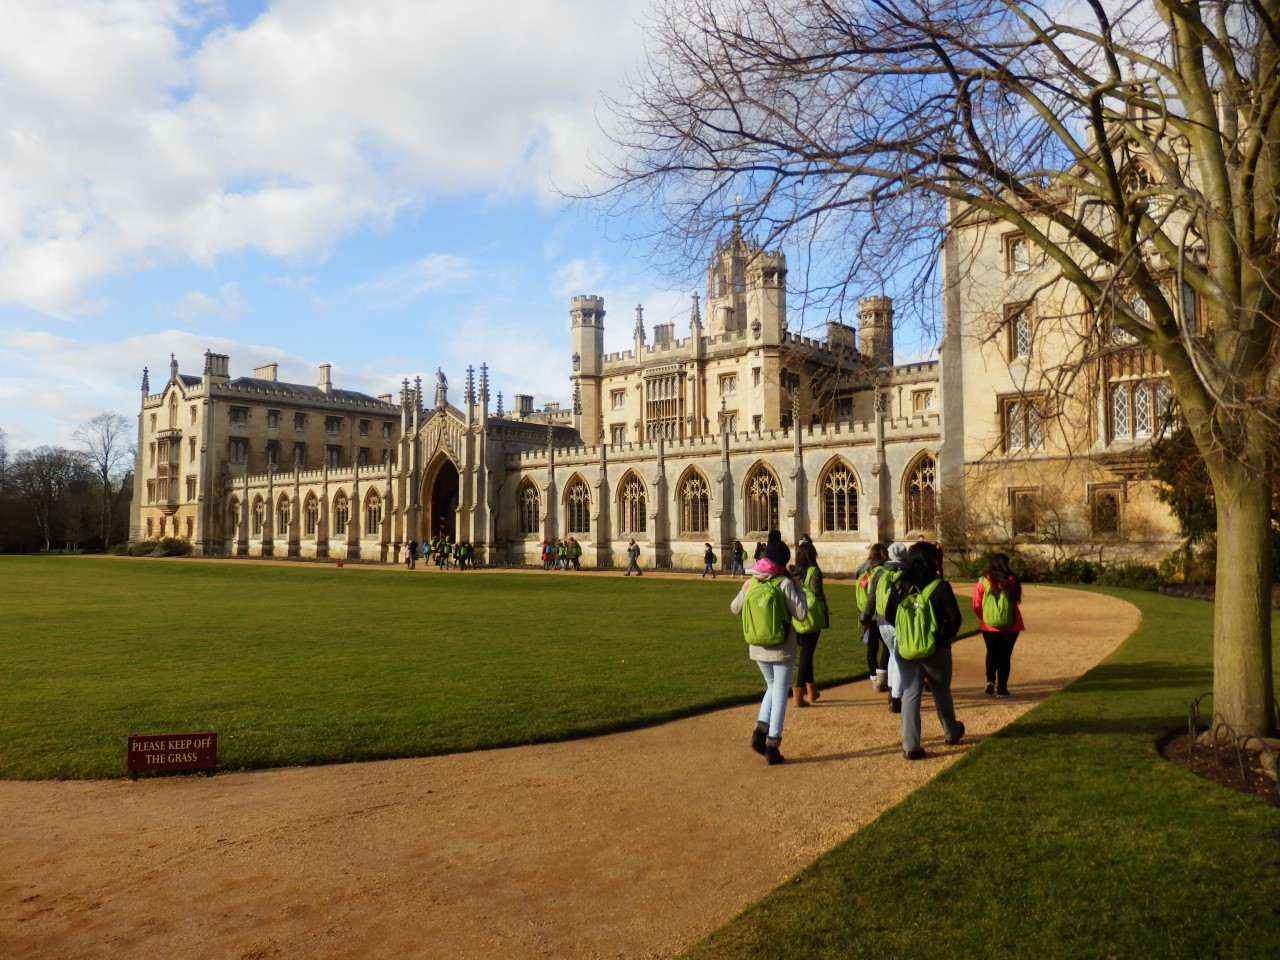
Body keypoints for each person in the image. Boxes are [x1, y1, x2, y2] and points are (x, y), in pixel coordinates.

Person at [730, 530, 806, 765]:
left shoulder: (750, 582)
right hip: (782, 646)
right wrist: (798, 588)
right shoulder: (784, 583)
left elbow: (734, 608)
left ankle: (759, 732)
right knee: (780, 692)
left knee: (772, 687)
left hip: (756, 646)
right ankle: (772, 744)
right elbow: (801, 614)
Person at [884, 540, 965, 760]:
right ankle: (951, 732)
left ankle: (910, 746)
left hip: (906, 648)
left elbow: (889, 615)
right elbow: (955, 618)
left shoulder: (899, 585)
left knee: (910, 694)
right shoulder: (939, 586)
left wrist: (908, 632)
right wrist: (942, 636)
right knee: (941, 692)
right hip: (936, 648)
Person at [972, 552, 1025, 697]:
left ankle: (990, 680)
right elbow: (1016, 600)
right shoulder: (1012, 580)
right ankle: (1002, 689)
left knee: (991, 652)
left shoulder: (983, 581)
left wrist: (985, 617)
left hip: (988, 626)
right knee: (1004, 656)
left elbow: (976, 604)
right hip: (1011, 624)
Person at [863, 542, 907, 712]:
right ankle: (896, 696)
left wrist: (865, 618)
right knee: (899, 658)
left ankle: (891, 690)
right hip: (900, 622)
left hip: (882, 622)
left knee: (891, 655)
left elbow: (871, 599)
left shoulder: (880, 573)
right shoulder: (908, 573)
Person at [789, 539, 827, 707]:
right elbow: (817, 595)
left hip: (796, 617)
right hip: (811, 616)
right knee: (806, 654)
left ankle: (812, 691)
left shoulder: (793, 572)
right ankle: (798, 693)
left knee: (806, 652)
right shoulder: (813, 572)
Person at [854, 543, 889, 691]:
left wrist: (863, 616)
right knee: (888, 646)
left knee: (872, 646)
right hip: (880, 614)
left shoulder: (862, 570)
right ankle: (881, 675)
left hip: (865, 614)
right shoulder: (885, 569)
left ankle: (873, 676)